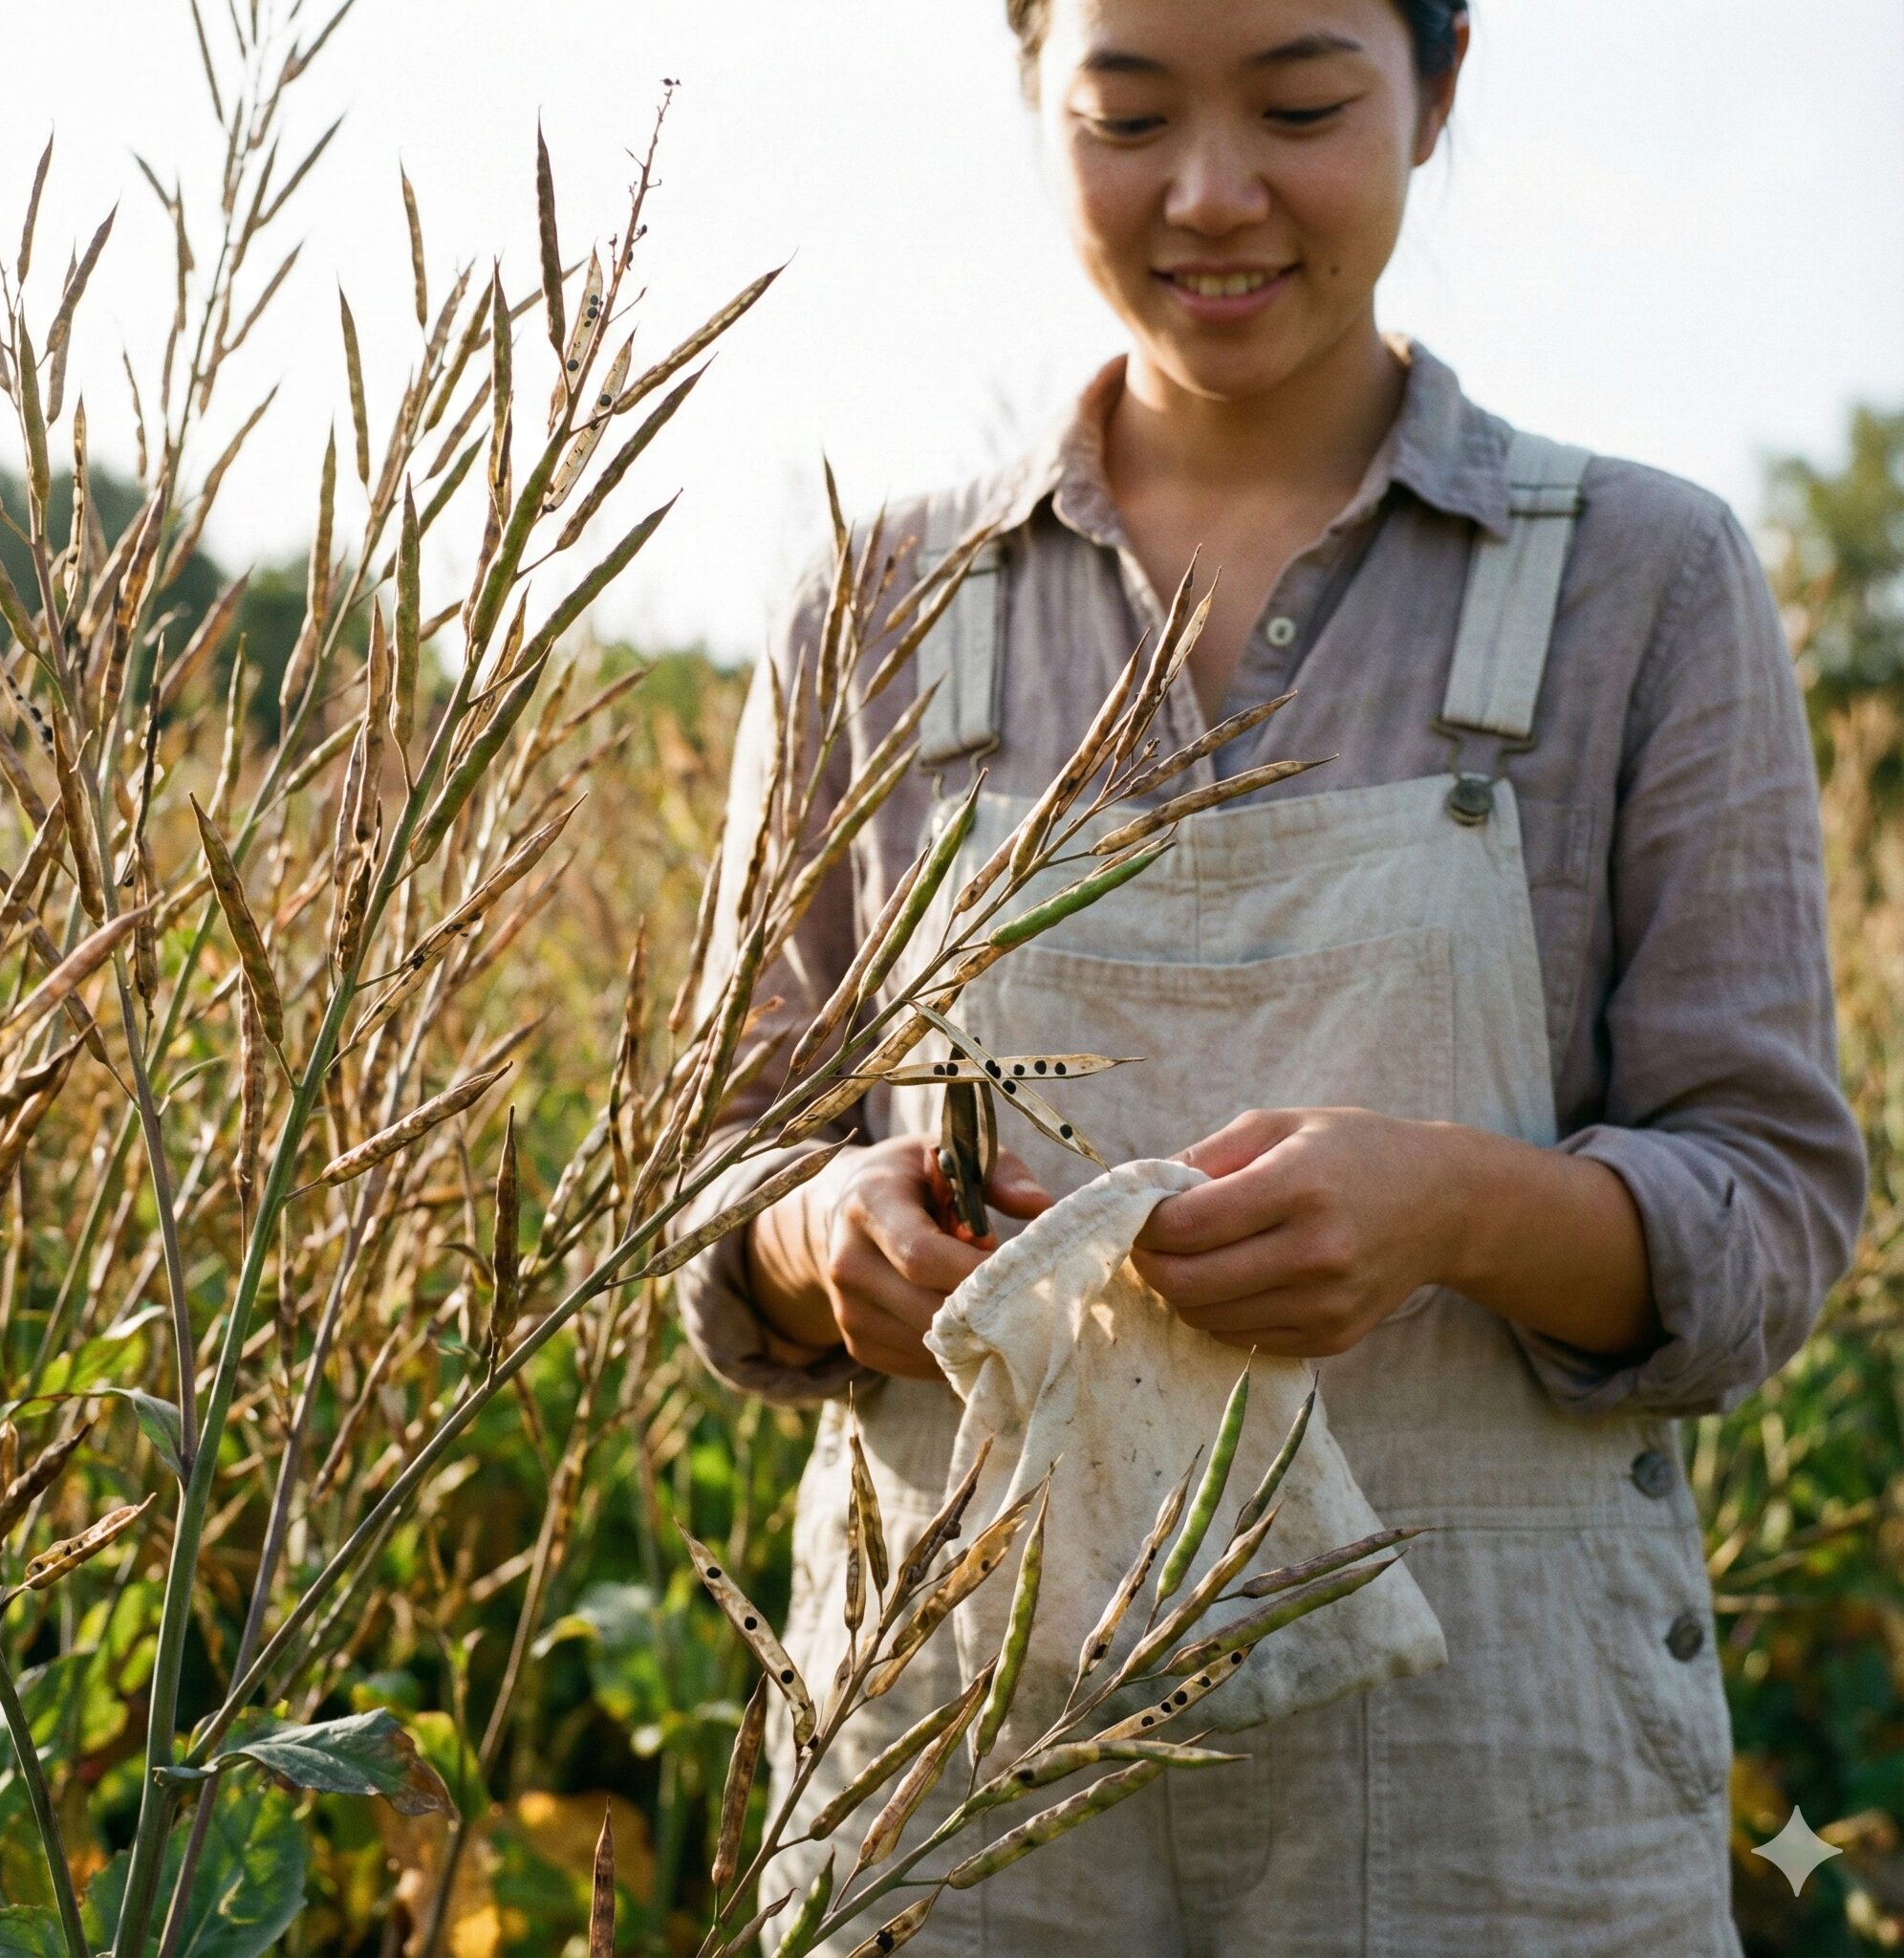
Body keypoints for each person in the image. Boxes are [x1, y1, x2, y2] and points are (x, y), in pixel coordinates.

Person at [671, 2, 1869, 1951]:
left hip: (1494, 1781)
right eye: (1127, 116)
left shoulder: (1644, 582)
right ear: (1031, 97)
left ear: (1439, 89)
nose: (1210, 193)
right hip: (958, 1789)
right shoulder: (869, 615)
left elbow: (1768, 1221)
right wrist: (824, 1237)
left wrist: (1457, 1210)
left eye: (1299, 105)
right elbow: (706, 1184)